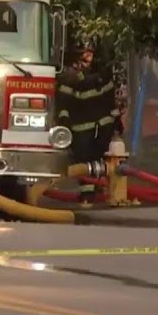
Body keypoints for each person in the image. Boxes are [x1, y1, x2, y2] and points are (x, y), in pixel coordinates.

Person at [56, 42, 122, 203]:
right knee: (84, 162)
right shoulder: (69, 77)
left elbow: (110, 101)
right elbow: (63, 104)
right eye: (85, 52)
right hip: (81, 130)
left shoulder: (103, 74)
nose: (89, 55)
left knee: (100, 160)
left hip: (102, 127)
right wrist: (64, 123)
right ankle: (87, 192)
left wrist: (116, 122)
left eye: (90, 52)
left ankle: (98, 189)